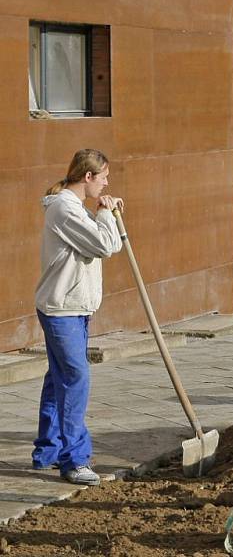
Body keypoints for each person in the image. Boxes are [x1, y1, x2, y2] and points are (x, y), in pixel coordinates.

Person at [32, 149, 123, 485]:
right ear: (88, 176)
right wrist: (106, 214)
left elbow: (105, 242)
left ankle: (48, 452)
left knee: (59, 379)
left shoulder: (76, 209)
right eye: (104, 177)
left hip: (75, 307)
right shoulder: (64, 209)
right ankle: (75, 460)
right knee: (75, 379)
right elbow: (105, 245)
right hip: (62, 309)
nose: (107, 183)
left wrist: (104, 214)